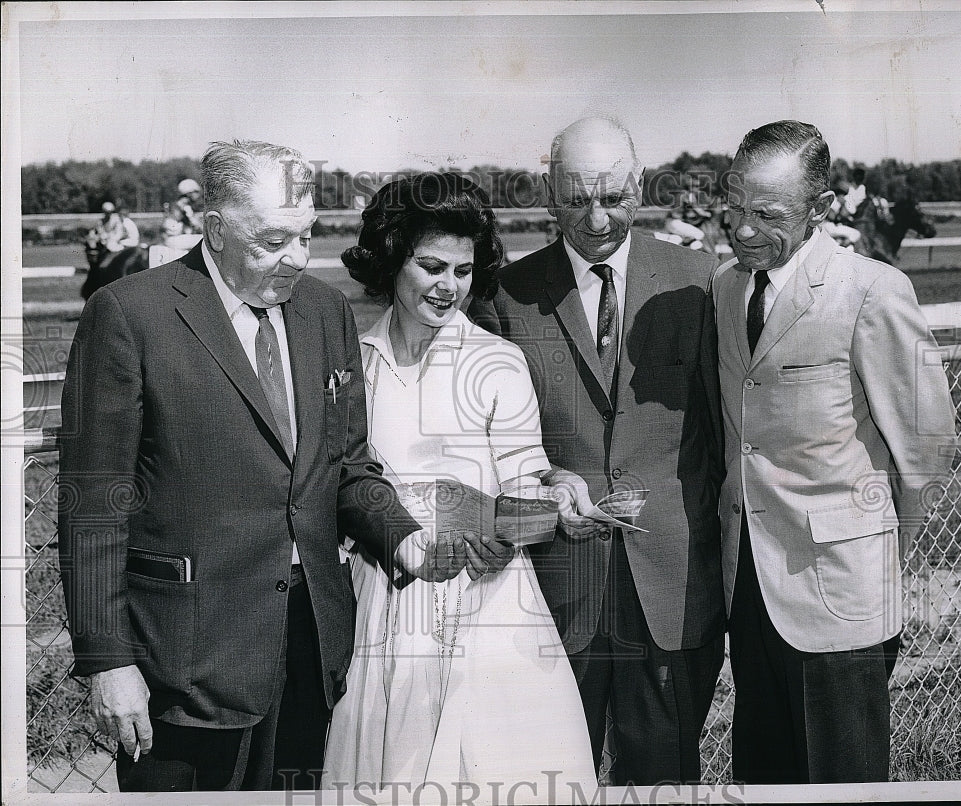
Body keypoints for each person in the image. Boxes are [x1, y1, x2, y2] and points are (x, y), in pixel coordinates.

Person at [58, 140, 465, 792]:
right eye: (273, 241)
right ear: (215, 229)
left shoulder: (324, 311)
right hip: (182, 660)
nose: (297, 259)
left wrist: (406, 537)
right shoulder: (130, 314)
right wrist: (109, 662)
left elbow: (349, 465)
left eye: (306, 236)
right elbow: (92, 503)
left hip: (310, 645)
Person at [322, 173, 596, 798]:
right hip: (382, 605)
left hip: (489, 608)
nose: (449, 286)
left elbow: (524, 486)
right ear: (392, 258)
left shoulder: (497, 361)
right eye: (431, 266)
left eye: (464, 271)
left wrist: (516, 527)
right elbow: (339, 488)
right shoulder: (352, 364)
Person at [470, 117, 726, 786]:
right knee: (552, 779)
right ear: (548, 193)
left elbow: (725, 437)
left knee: (664, 779)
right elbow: (489, 447)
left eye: (613, 196)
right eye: (577, 197)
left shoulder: (699, 281)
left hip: (671, 589)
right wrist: (547, 488)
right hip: (556, 591)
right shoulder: (504, 295)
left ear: (639, 188)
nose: (596, 217)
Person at [714, 120, 957, 783]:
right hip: (750, 593)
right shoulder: (725, 288)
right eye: (733, 209)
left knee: (842, 784)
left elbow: (927, 448)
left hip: (844, 601)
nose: (742, 230)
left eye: (767, 215)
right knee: (764, 780)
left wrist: (870, 552)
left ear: (820, 209)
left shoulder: (872, 291)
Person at [161, 177, 203, 248]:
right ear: (189, 193)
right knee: (205, 240)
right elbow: (196, 224)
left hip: (170, 238)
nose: (198, 195)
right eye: (196, 192)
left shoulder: (177, 203)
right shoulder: (185, 206)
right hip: (175, 239)